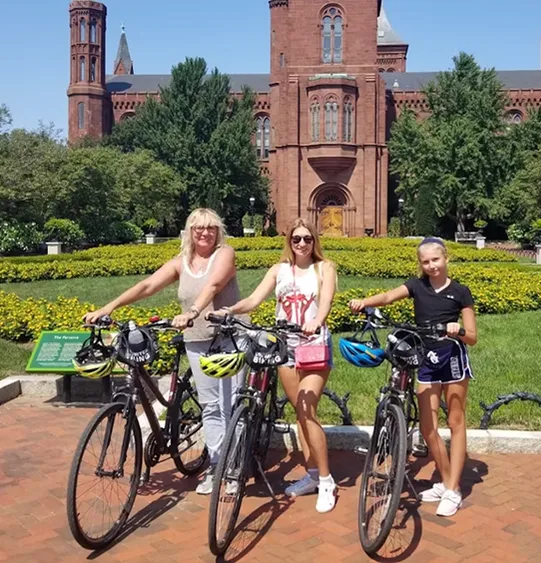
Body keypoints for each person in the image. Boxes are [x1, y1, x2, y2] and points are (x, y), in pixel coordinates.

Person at [83, 208, 242, 495]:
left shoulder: (225, 254)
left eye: (210, 228)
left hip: (229, 337)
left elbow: (215, 284)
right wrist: (109, 307)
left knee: (229, 405)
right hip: (196, 338)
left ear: (218, 231)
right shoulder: (182, 263)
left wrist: (194, 310)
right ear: (189, 232)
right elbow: (148, 285)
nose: (204, 233)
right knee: (210, 405)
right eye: (198, 228)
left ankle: (235, 469)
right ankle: (217, 466)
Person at [348, 237, 478, 517]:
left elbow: (473, 337)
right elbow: (387, 297)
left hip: (453, 358)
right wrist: (363, 302)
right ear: (420, 264)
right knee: (428, 427)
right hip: (426, 360)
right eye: (425, 261)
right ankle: (446, 482)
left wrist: (457, 329)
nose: (431, 266)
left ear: (446, 259)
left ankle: (454, 490)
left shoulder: (460, 292)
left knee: (455, 423)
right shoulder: (416, 286)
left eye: (436, 260)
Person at [216, 218, 338, 512]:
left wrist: (316, 321)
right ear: (289, 241)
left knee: (308, 411)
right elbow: (255, 299)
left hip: (313, 346)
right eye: (296, 239)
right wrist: (229, 311)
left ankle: (326, 481)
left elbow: (326, 301)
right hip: (286, 348)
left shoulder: (325, 268)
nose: (302, 244)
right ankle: (310, 476)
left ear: (314, 241)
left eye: (307, 239)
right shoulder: (279, 270)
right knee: (299, 413)